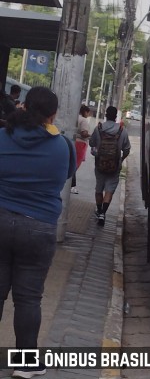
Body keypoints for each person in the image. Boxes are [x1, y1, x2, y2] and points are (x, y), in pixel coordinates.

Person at [0, 86, 75, 378]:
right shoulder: (63, 146)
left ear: (24, 107)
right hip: (38, 227)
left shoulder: (3, 137)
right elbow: (67, 174)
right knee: (29, 298)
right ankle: (26, 364)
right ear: (52, 115)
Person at [89, 106, 130, 227]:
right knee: (109, 190)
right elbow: (127, 149)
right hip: (115, 166)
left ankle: (98, 209)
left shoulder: (99, 128)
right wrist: (121, 159)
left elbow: (91, 143)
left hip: (100, 164)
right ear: (116, 116)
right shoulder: (122, 131)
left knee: (99, 188)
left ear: (106, 115)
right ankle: (103, 213)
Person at [70, 105, 92, 194]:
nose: (88, 114)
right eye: (88, 112)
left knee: (72, 163)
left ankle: (71, 185)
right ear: (85, 112)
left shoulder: (75, 117)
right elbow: (84, 133)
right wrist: (91, 135)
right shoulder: (84, 120)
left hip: (74, 142)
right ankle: (72, 186)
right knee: (75, 165)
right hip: (80, 144)